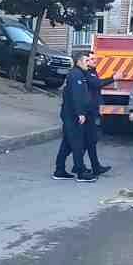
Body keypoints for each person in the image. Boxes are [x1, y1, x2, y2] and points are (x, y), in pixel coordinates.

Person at [53, 54, 97, 182]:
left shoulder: (80, 73)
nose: (88, 63)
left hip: (71, 114)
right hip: (72, 115)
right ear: (78, 62)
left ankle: (59, 170)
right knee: (78, 143)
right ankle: (81, 171)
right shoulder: (76, 75)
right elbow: (76, 96)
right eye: (86, 60)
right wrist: (80, 113)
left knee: (67, 143)